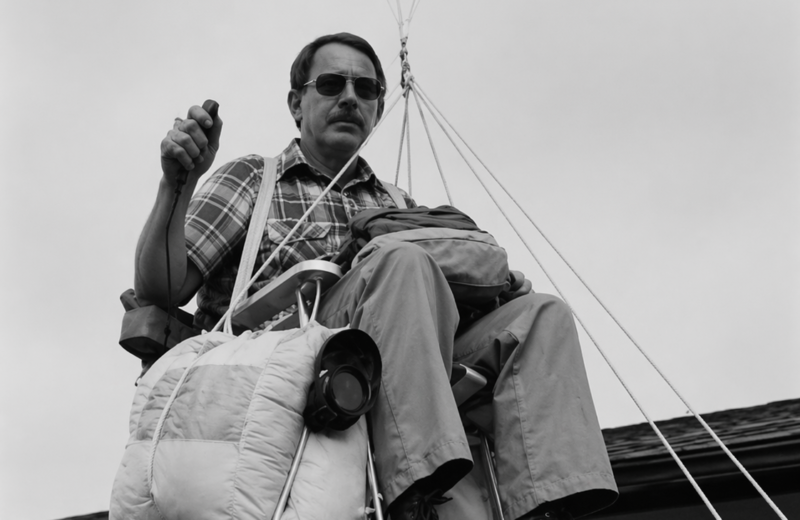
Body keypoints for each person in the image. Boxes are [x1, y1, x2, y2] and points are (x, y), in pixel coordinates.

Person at [134, 32, 618, 520]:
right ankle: (415, 493)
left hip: (400, 358)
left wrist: (498, 291)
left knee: (540, 315)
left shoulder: (397, 202)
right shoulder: (254, 179)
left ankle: (551, 502)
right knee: (401, 261)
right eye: (331, 84)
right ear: (296, 103)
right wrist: (176, 185)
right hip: (283, 355)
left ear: (378, 108)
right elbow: (162, 287)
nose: (350, 97)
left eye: (365, 89)